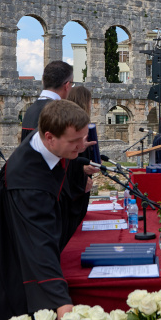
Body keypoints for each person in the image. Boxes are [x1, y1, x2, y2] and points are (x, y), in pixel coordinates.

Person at [0, 100, 90, 320]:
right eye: (75, 142)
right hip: (15, 261)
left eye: (84, 138)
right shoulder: (29, 182)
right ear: (50, 137)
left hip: (25, 245)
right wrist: (61, 301)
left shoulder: (43, 147)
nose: (81, 147)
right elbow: (37, 243)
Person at [61, 86, 98, 247]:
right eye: (89, 101)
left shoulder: (82, 126)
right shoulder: (70, 128)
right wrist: (82, 169)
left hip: (82, 182)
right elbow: (64, 160)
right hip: (73, 187)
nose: (91, 105)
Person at [20, 61, 73, 143]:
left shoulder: (30, 110)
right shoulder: (60, 112)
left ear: (43, 81)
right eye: (72, 84)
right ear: (67, 85)